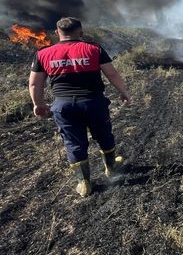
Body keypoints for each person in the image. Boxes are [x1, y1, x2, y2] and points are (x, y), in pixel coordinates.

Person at [29, 17, 131, 197]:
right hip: (93, 103)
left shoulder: (43, 53)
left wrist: (38, 104)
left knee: (73, 142)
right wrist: (124, 91)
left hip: (63, 106)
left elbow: (35, 84)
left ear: (57, 33)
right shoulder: (94, 49)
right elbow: (112, 74)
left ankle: (84, 184)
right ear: (81, 33)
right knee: (104, 135)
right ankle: (111, 168)